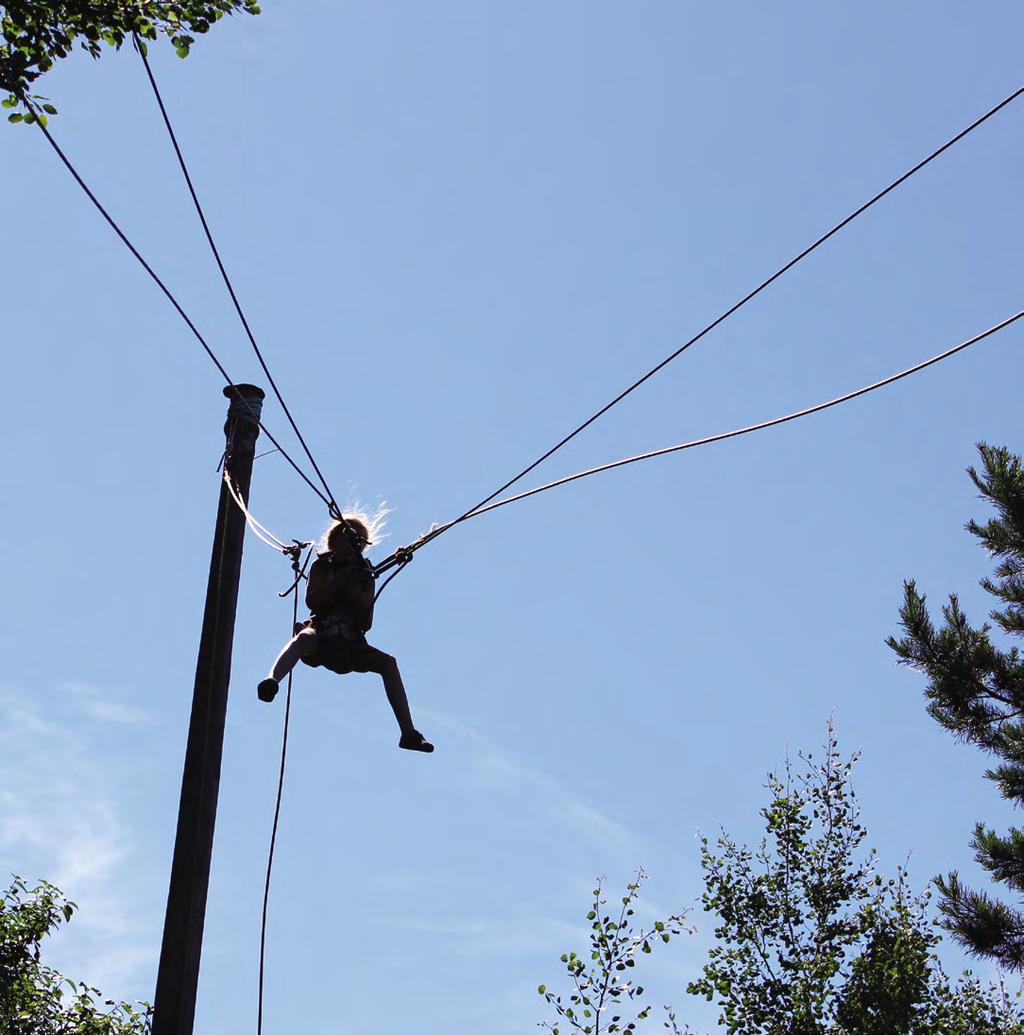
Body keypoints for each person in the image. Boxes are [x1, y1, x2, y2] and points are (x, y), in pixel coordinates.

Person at [257, 517, 434, 753]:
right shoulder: (322, 566)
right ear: (334, 542)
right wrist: (342, 579)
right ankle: (272, 680)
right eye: (345, 541)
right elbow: (313, 599)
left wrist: (359, 585)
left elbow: (366, 622)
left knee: (388, 663)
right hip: (322, 633)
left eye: (355, 544)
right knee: (303, 639)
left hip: (350, 643)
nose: (350, 548)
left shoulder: (364, 573)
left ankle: (408, 733)